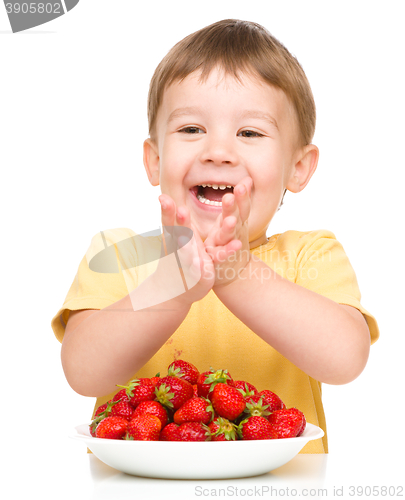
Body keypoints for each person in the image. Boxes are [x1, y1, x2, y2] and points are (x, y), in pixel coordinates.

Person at [51, 19, 379, 453]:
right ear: (154, 160)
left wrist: (237, 274)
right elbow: (81, 370)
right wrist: (170, 290)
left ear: (298, 168)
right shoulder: (120, 252)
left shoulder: (310, 253)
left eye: (249, 133)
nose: (218, 151)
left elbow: (345, 359)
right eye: (191, 129)